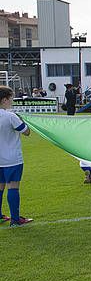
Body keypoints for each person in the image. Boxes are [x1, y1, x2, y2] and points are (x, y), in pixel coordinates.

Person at [0, 86, 32, 227]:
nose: (12, 100)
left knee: (0, 187)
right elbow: (26, 132)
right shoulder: (10, 116)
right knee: (13, 187)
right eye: (11, 98)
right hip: (12, 159)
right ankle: (15, 219)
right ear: (5, 99)